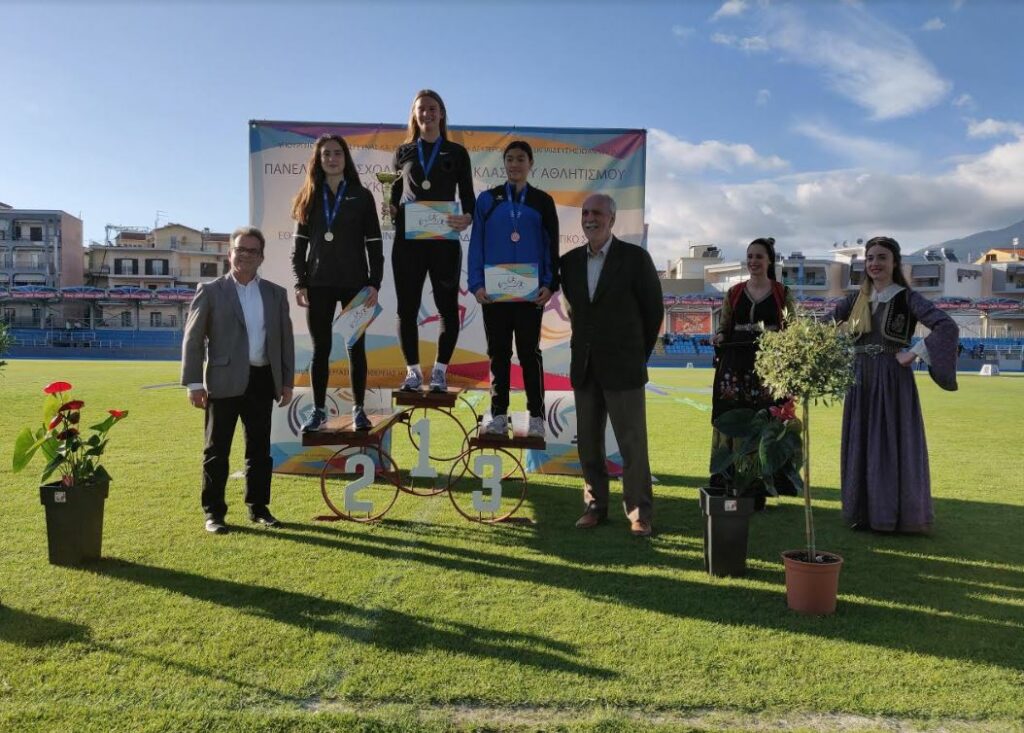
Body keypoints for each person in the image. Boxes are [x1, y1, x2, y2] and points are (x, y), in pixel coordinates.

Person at [832, 236, 958, 533]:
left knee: (888, 443)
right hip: (860, 377)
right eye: (870, 258)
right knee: (863, 440)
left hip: (891, 378)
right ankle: (862, 513)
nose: (874, 263)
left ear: (894, 262)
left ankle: (890, 515)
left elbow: (946, 326)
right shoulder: (855, 299)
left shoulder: (907, 298)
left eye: (882, 257)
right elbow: (823, 324)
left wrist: (913, 353)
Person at [559, 194, 663, 537]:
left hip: (624, 368)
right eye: (586, 213)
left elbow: (653, 312)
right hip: (585, 366)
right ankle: (594, 506)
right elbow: (574, 312)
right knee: (588, 444)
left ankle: (639, 513)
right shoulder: (569, 262)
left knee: (632, 445)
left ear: (612, 219)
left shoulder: (635, 259)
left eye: (598, 213)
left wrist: (634, 355)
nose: (590, 218)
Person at [181, 226, 295, 534]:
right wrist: (194, 383)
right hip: (223, 381)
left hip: (262, 380)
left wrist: (286, 382)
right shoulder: (210, 291)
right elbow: (193, 339)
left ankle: (259, 508)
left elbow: (285, 341)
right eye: (240, 249)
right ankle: (214, 514)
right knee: (216, 451)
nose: (246, 255)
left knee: (259, 451)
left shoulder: (275, 294)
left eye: (252, 251)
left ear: (261, 257)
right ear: (230, 253)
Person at [290, 134, 383, 432]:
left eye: (337, 153)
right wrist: (300, 283)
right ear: (318, 160)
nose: (332, 158)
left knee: (356, 347)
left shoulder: (361, 196)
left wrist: (374, 283)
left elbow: (375, 244)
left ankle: (359, 410)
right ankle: (319, 411)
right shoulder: (308, 196)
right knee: (321, 349)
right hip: (319, 285)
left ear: (346, 158)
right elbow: (299, 249)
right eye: (326, 154)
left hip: (355, 285)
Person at [467, 140, 559, 438]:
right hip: (494, 294)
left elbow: (551, 245)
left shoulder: (542, 201)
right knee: (498, 354)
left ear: (530, 163)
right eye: (509, 159)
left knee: (530, 354)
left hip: (530, 294)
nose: (514, 164)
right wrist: (476, 284)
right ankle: (498, 415)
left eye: (520, 159)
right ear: (504, 163)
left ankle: (536, 417)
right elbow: (477, 244)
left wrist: (549, 283)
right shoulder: (487, 200)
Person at [390, 89, 475, 393]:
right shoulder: (403, 152)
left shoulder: (456, 152)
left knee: (447, 308)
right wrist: (391, 209)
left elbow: (468, 195)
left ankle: (440, 371)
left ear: (441, 113)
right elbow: (394, 193)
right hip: (409, 241)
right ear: (414, 115)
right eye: (421, 108)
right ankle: (413, 373)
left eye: (432, 108)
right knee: (407, 308)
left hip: (443, 240)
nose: (427, 113)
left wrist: (467, 216)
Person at [709, 237, 796, 500]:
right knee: (731, 417)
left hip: (769, 366)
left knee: (765, 418)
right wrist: (719, 336)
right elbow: (725, 326)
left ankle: (762, 482)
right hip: (735, 365)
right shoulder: (734, 292)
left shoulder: (782, 292)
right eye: (749, 256)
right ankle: (729, 478)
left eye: (759, 256)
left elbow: (792, 330)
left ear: (769, 260)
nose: (753, 261)